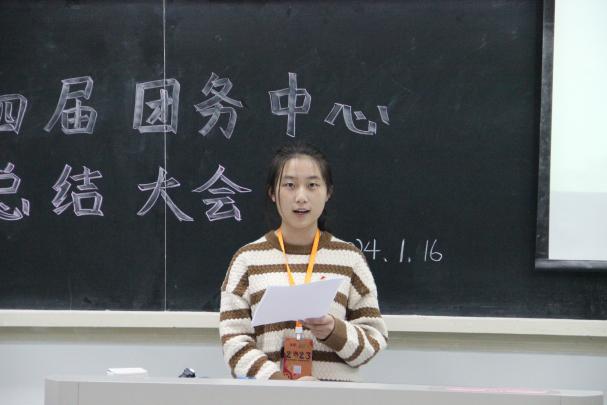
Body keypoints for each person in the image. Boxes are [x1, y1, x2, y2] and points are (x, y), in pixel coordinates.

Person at [219, 143, 387, 381]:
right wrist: (283, 387)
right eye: (289, 185)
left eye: (312, 185)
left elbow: (373, 340)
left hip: (333, 397)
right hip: (269, 397)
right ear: (272, 193)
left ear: (328, 192)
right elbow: (234, 343)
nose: (300, 197)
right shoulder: (247, 259)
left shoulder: (350, 259)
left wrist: (333, 330)